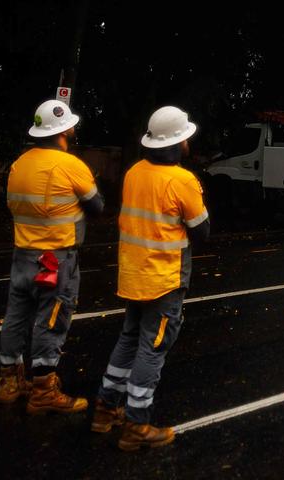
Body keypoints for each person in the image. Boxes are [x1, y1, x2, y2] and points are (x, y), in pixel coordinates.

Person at [91, 106, 210, 450]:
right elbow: (201, 231)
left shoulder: (134, 173)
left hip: (134, 274)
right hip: (164, 279)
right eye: (186, 136)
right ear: (177, 142)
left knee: (128, 340)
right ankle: (136, 426)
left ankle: (104, 409)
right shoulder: (182, 180)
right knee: (152, 349)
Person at [0, 99, 104, 413]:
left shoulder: (19, 164)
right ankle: (43, 389)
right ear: (63, 130)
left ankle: (9, 382)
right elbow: (97, 207)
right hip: (56, 257)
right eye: (71, 123)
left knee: (16, 316)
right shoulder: (71, 165)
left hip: (23, 254)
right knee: (51, 319)